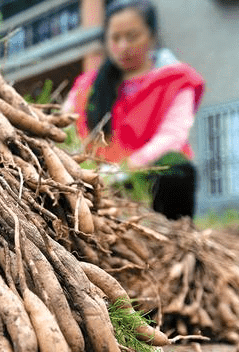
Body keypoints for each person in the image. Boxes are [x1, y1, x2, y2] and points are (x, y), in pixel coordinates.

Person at [62, 0, 205, 220]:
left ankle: (174, 234)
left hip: (148, 179)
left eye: (132, 36)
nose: (123, 46)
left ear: (152, 35)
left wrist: (124, 170)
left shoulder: (176, 80)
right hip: (97, 181)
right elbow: (64, 126)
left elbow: (172, 137)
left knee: (176, 166)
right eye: (115, 38)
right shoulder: (86, 87)